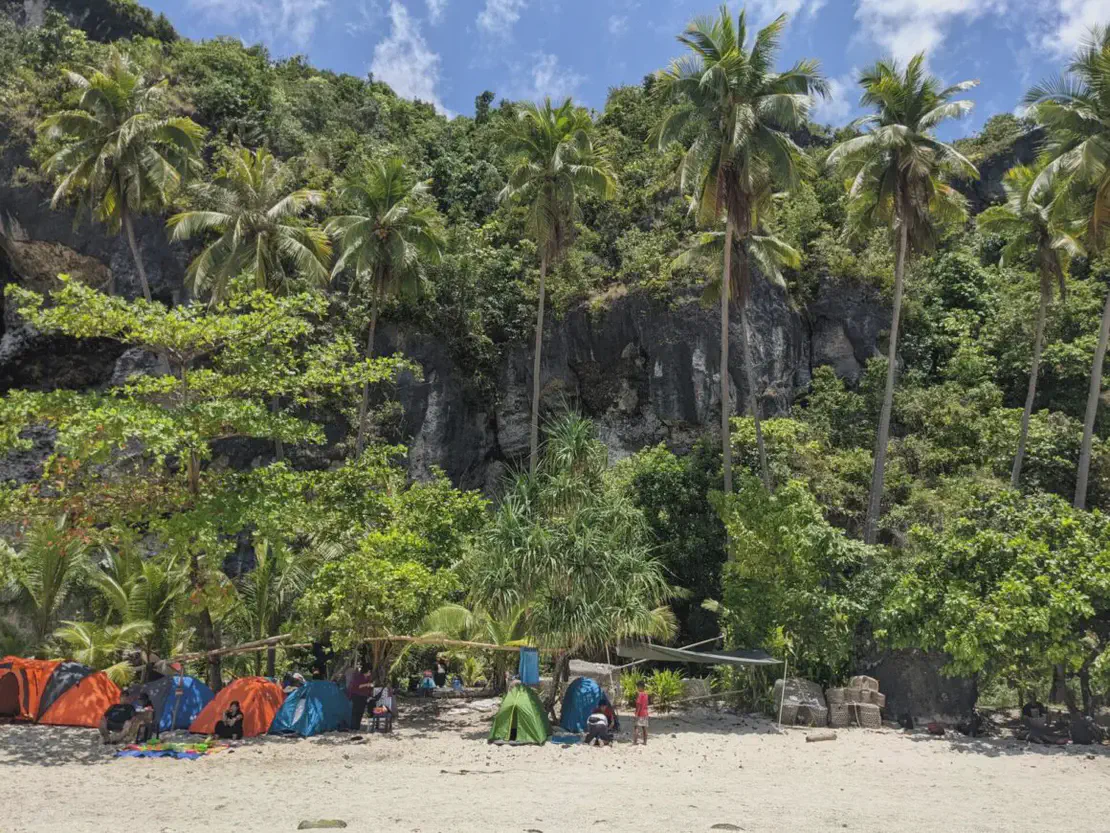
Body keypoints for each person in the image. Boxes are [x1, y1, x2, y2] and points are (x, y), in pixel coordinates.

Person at [348, 665, 375, 730]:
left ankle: (357, 727)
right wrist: (367, 684)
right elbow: (358, 686)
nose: (370, 673)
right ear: (365, 671)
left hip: (363, 696)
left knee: (360, 711)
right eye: (369, 671)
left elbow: (368, 687)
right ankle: (353, 727)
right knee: (355, 711)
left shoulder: (368, 678)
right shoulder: (359, 677)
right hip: (356, 695)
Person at [633, 679, 649, 746]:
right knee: (644, 728)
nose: (637, 688)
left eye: (637, 687)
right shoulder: (646, 694)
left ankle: (635, 742)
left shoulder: (640, 695)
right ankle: (645, 742)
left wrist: (636, 714)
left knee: (636, 727)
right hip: (645, 713)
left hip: (640, 713)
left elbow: (639, 705)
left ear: (640, 687)